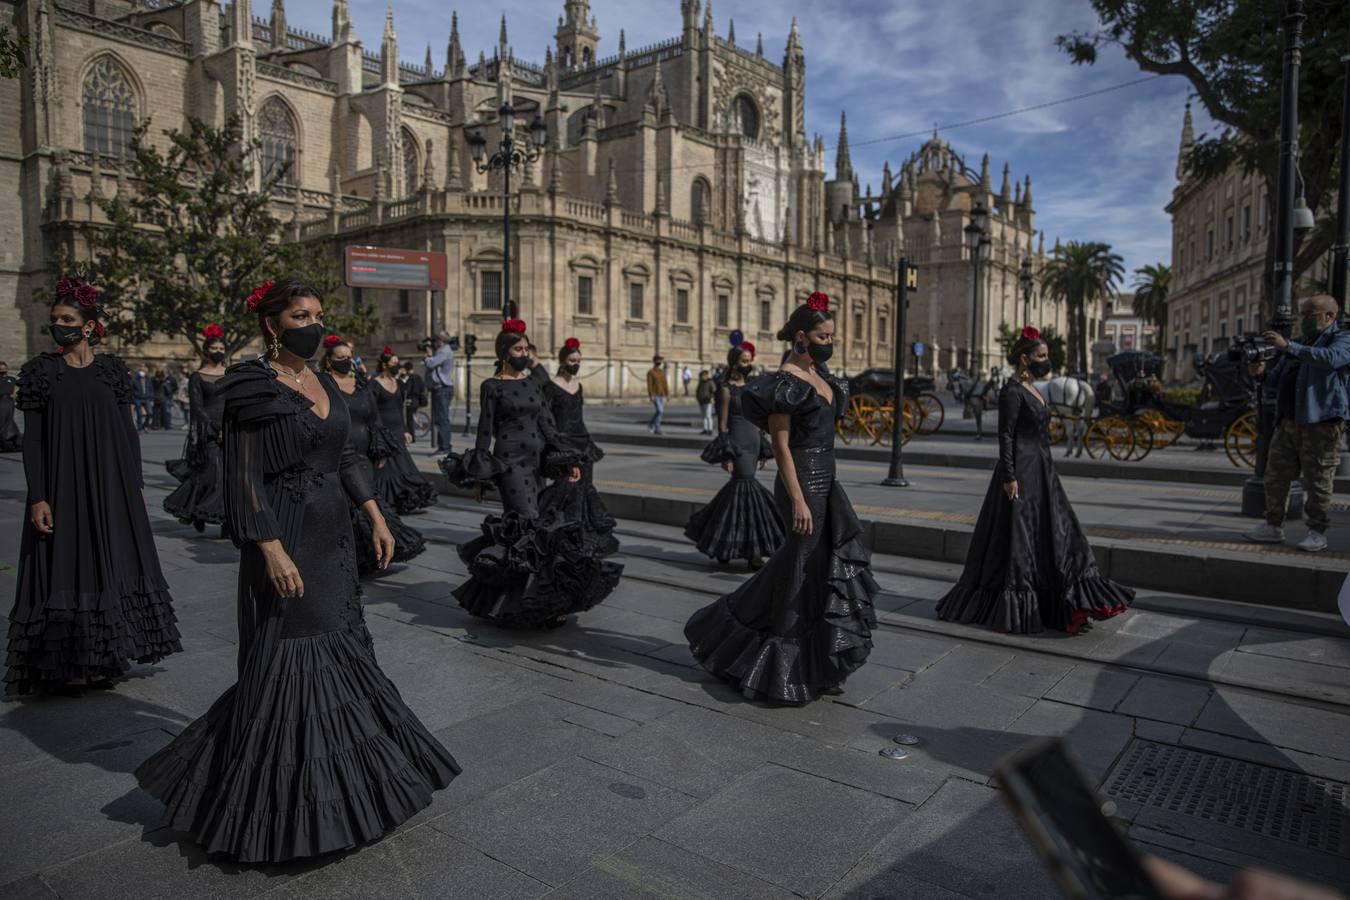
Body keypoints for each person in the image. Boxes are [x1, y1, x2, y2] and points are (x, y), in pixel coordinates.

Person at [135, 279, 459, 863]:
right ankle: (276, 809)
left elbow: (349, 456)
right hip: (284, 535)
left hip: (335, 538)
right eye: (299, 315)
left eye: (316, 314)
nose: (311, 324)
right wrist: (271, 548)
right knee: (292, 659)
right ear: (272, 323)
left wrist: (377, 515)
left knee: (340, 653)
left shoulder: (325, 381)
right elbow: (243, 476)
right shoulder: (249, 384)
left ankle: (345, 797)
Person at [684, 292, 879, 704]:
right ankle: (776, 662)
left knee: (817, 567)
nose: (831, 341)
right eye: (824, 335)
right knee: (797, 568)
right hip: (802, 483)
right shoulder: (784, 383)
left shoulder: (821, 376)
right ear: (802, 337)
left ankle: (815, 660)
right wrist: (798, 500)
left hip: (828, 481)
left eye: (833, 335)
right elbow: (783, 446)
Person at [6, 276, 181, 695]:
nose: (58, 325)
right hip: (62, 486)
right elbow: (32, 441)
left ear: (88, 326)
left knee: (112, 561)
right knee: (67, 563)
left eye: (67, 318)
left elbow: (127, 431)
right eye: (54, 319)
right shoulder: (40, 372)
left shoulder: (112, 370)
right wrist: (38, 496)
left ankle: (106, 656)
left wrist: (136, 483)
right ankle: (66, 664)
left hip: (111, 484)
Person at [937, 327, 1134, 634]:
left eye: (1047, 355)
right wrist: (1010, 476)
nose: (1047, 360)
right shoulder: (1012, 391)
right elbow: (1005, 435)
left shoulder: (1033, 388)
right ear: (1025, 359)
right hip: (1022, 472)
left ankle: (1067, 600)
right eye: (1041, 356)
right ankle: (1022, 605)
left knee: (1061, 532)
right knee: (1021, 539)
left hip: (1043, 471)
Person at [441, 320, 617, 629]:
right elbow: (485, 432)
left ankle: (535, 602)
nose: (525, 353)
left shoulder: (535, 382)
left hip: (536, 464)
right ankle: (523, 605)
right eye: (518, 349)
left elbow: (548, 425)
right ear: (504, 352)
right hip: (509, 463)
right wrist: (480, 478)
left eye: (526, 348)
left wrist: (567, 460)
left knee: (540, 529)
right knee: (525, 527)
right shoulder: (492, 386)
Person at [1245, 294, 1350, 553]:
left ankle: (1317, 530)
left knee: (1318, 479)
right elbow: (1276, 379)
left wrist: (1289, 347)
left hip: (1322, 422)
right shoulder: (1298, 344)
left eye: (1310, 315)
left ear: (1329, 316)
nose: (1303, 320)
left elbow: (1330, 359)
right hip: (1289, 421)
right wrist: (1261, 374)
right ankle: (1273, 524)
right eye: (1301, 314)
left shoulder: (1342, 339)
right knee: (1275, 475)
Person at [324, 336, 426, 575]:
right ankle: (352, 556)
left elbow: (374, 418)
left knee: (369, 501)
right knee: (348, 506)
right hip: (340, 455)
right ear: (329, 361)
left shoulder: (361, 384)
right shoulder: (324, 385)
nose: (347, 362)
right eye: (341, 358)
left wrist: (380, 448)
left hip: (365, 454)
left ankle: (376, 551)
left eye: (349, 357)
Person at [686, 341, 784, 569]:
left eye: (750, 361)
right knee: (745, 487)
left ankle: (726, 546)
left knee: (738, 492)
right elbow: (722, 424)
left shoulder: (753, 386)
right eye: (744, 361)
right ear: (734, 362)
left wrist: (763, 449)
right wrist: (726, 455)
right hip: (737, 443)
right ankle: (753, 552)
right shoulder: (725, 388)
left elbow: (760, 421)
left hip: (753, 441)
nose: (749, 365)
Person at [539, 336, 624, 569]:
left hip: (583, 443)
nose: (575, 364)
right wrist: (555, 447)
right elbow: (546, 420)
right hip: (563, 445)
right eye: (572, 360)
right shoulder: (551, 386)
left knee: (585, 489)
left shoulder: (579, 386)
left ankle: (586, 540)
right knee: (566, 490)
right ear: (562, 360)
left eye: (578, 360)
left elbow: (579, 416)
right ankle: (563, 537)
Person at [162, 325, 228, 534]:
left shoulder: (231, 373)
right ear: (206, 351)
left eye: (221, 347)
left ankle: (226, 520)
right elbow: (198, 409)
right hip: (207, 430)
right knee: (209, 473)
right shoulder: (197, 377)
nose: (218, 351)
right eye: (214, 348)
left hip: (231, 428)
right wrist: (214, 429)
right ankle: (196, 510)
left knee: (229, 475)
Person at [369, 346, 438, 514]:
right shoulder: (374, 384)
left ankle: (404, 500)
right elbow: (373, 411)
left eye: (397, 362)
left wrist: (407, 430)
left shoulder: (398, 383)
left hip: (398, 430)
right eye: (393, 362)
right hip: (383, 432)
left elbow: (401, 409)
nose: (397, 365)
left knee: (403, 466)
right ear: (384, 365)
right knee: (386, 469)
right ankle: (386, 502)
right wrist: (378, 434)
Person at [423, 330, 456, 453]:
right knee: (439, 419)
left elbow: (431, 364)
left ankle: (445, 447)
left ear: (441, 340)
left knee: (442, 419)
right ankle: (442, 446)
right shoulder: (443, 351)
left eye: (436, 340)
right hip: (439, 389)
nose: (435, 343)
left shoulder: (444, 351)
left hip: (443, 389)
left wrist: (428, 355)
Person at [400, 360, 426, 443]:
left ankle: (412, 438)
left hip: (411, 401)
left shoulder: (410, 378)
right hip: (418, 400)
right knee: (411, 417)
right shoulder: (418, 377)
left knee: (409, 420)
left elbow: (407, 390)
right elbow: (422, 387)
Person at [0, 360, 21, 452]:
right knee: (2, 420)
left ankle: (11, 440)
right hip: (1, 401)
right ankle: (7, 440)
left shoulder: (12, 379)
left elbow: (19, 386)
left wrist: (16, 395)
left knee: (8, 419)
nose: (3, 370)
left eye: (4, 368)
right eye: (1, 369)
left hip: (9, 401)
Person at [647, 355, 669, 434]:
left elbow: (665, 383)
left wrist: (667, 394)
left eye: (660, 361)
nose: (659, 362)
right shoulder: (651, 372)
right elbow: (649, 384)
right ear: (654, 361)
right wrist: (651, 395)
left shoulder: (662, 372)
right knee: (660, 411)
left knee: (660, 412)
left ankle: (651, 423)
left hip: (662, 394)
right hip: (655, 394)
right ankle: (657, 427)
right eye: (658, 361)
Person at [132, 363, 154, 431]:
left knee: (150, 413)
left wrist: (152, 399)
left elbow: (151, 389)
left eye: (144, 367)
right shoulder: (135, 378)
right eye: (141, 367)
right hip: (138, 398)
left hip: (147, 398)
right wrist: (134, 397)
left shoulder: (148, 378)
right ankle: (139, 427)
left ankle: (145, 425)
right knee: (139, 414)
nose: (142, 368)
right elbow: (132, 389)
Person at [695, 369, 716, 434]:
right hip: (701, 401)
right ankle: (705, 429)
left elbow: (714, 390)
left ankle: (710, 429)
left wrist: (711, 398)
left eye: (703, 375)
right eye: (701, 376)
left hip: (708, 401)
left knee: (708, 416)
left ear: (706, 375)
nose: (701, 377)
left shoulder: (710, 382)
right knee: (703, 416)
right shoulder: (700, 383)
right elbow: (697, 391)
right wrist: (698, 398)